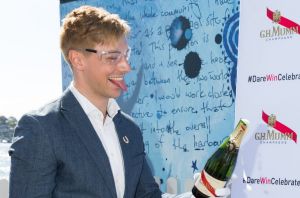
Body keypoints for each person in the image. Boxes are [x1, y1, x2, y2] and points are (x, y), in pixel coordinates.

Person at [9, 5, 230, 198]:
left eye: (126, 56)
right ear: (77, 60)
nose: (126, 67)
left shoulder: (129, 129)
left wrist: (199, 195)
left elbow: (148, 196)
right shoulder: (41, 128)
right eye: (113, 57)